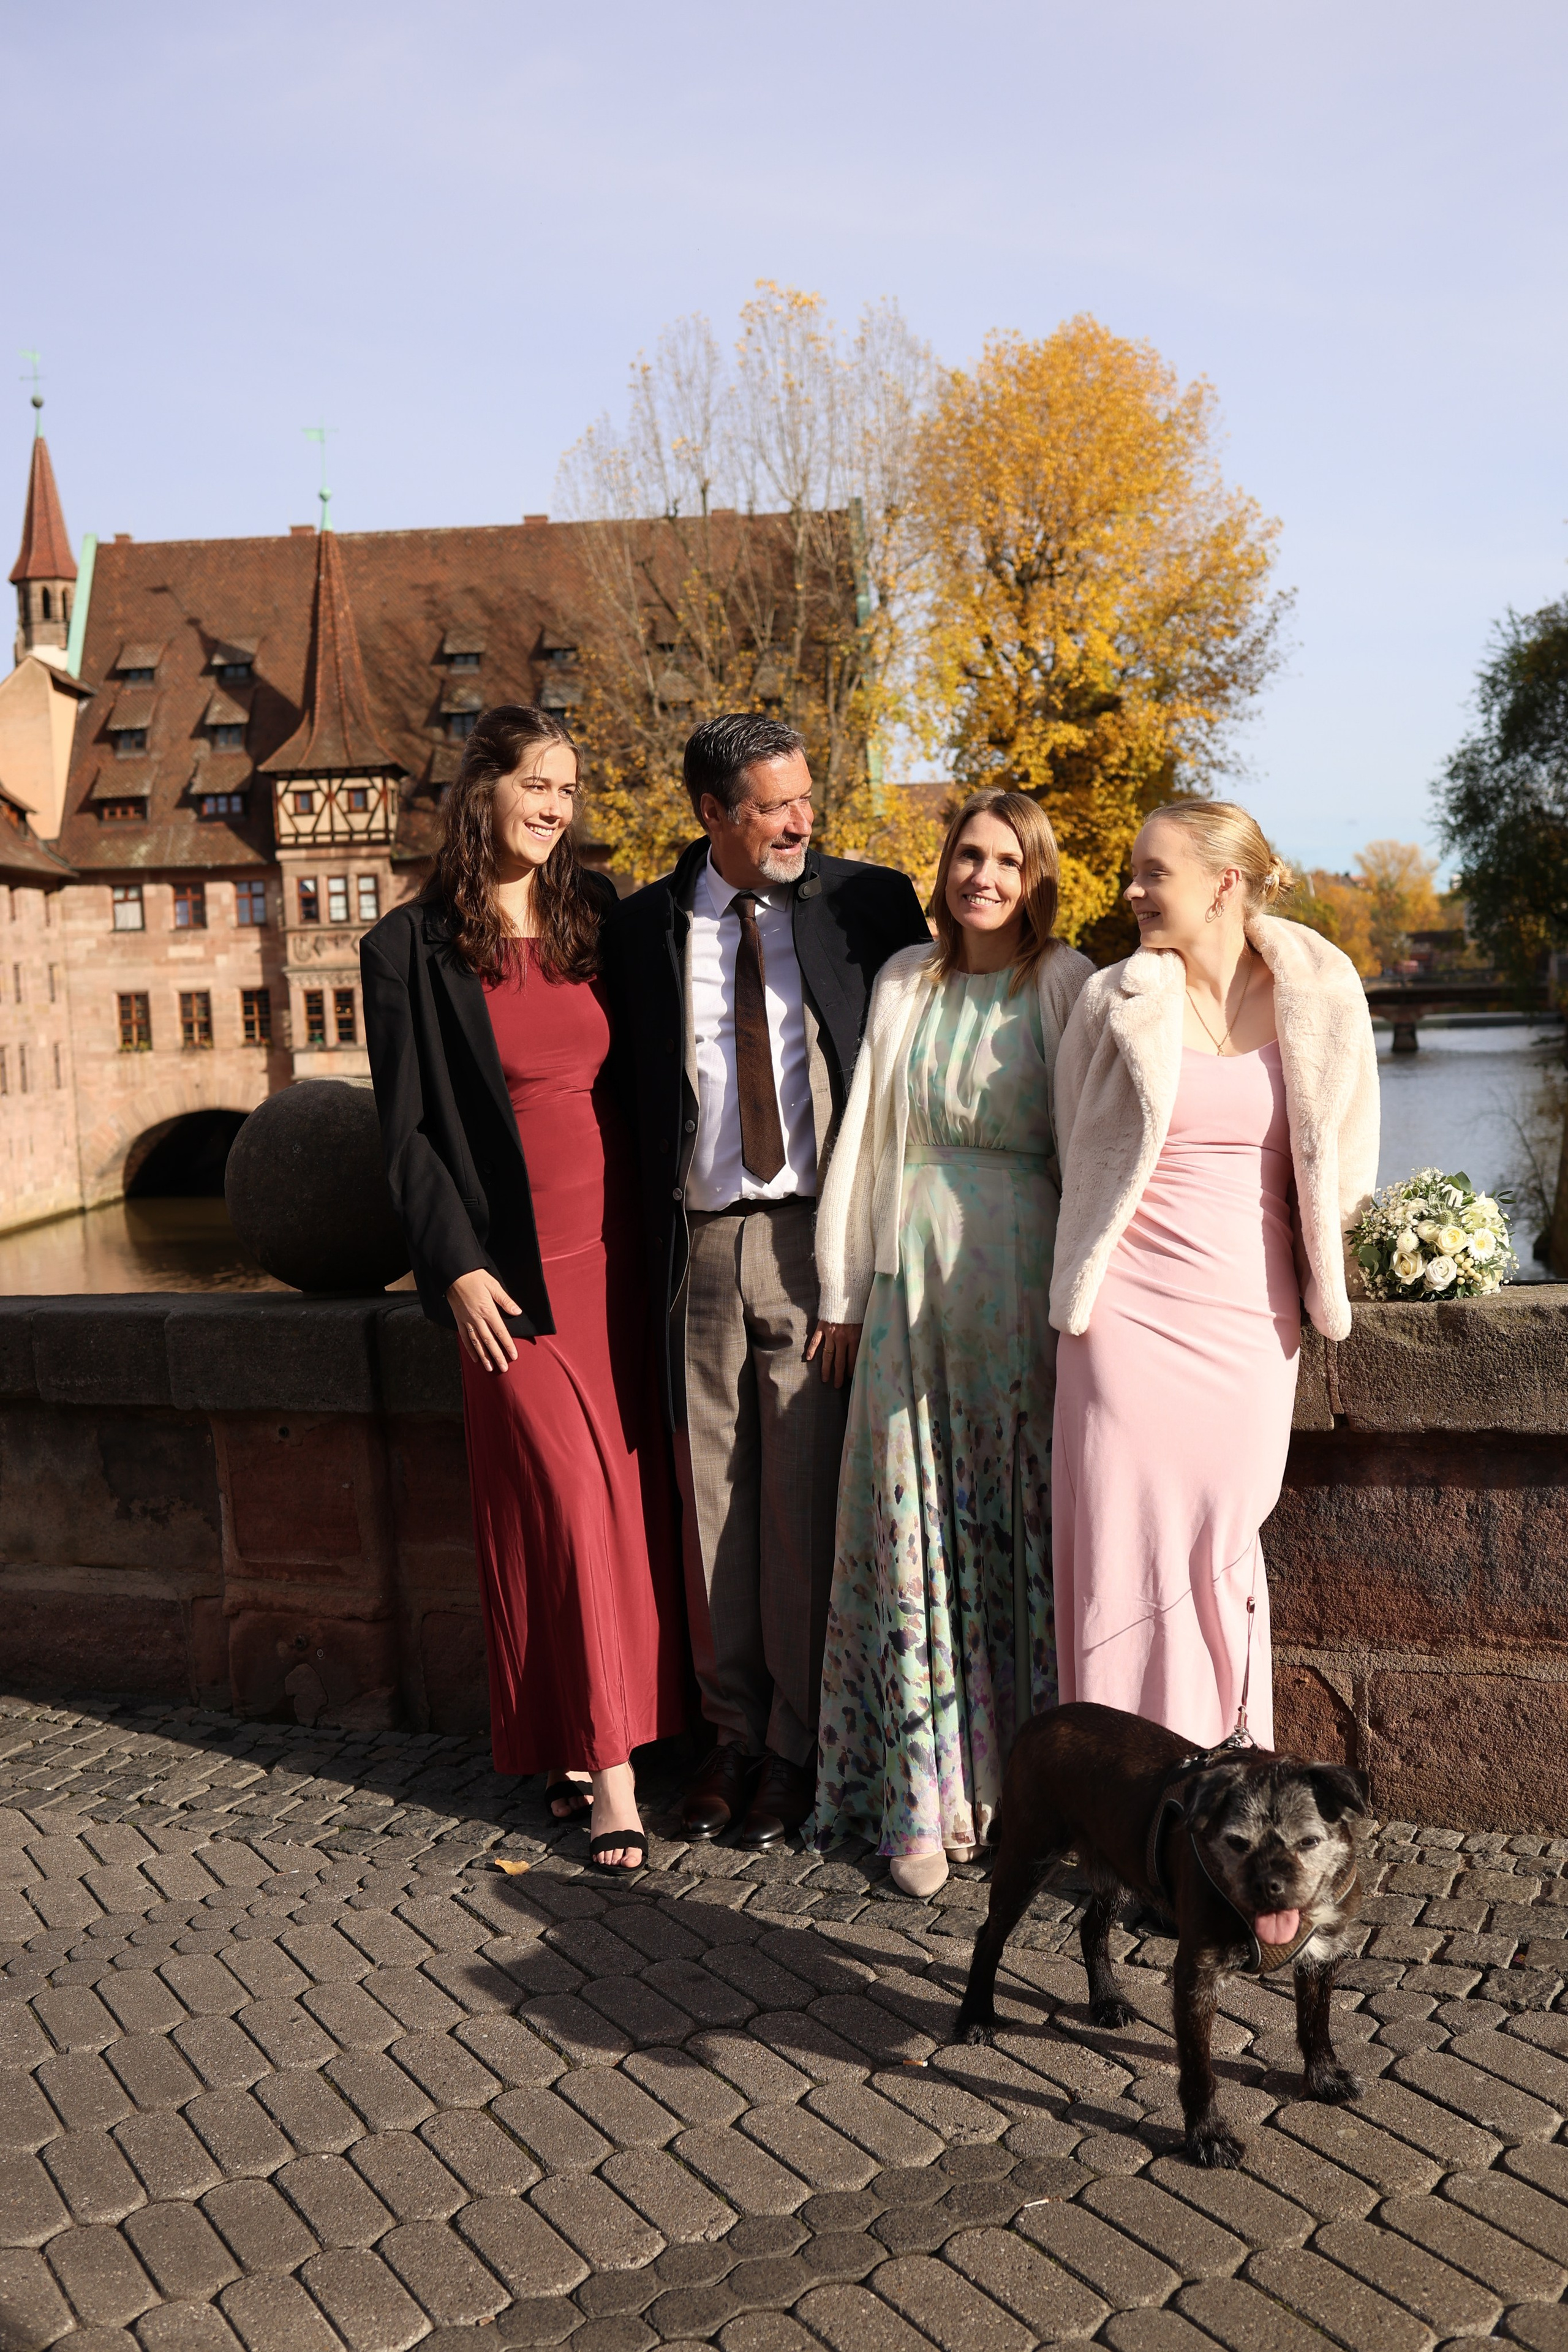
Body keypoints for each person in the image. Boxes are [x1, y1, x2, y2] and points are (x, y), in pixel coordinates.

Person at [360, 705, 684, 1876]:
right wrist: (451, 1266)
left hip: (616, 1262)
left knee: (623, 1508)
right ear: (482, 791)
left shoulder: (596, 918)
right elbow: (407, 1139)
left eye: (568, 788)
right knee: (568, 1500)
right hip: (508, 1278)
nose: (554, 805)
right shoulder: (407, 948)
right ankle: (614, 1774)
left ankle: (575, 1737)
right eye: (535, 783)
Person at [606, 715, 930, 1847]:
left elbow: (906, 1088)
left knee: (803, 1504)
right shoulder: (639, 925)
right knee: (710, 1504)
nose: (803, 822)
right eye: (774, 807)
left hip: (812, 1246)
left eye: (807, 798)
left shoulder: (867, 905)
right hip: (693, 1249)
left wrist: (863, 1274)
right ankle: (728, 1733)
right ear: (711, 814)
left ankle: (800, 1742)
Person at [1050, 801, 1379, 1750]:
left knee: (1221, 1549)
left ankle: (1224, 1772)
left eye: (1154, 873)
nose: (1132, 891)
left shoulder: (1321, 988)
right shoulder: (1113, 997)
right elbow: (1079, 1148)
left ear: (1223, 883)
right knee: (1121, 1552)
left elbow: (1345, 1154)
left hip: (1251, 1318)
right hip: (1121, 1321)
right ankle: (1121, 1800)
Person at [810, 791, 1092, 1896]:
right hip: (908, 1284)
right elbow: (868, 1136)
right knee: (910, 1526)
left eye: (1008, 862)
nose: (984, 875)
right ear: (945, 867)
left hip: (1019, 1290)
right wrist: (840, 1289)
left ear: (1036, 879)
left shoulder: (1064, 984)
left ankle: (1027, 1796)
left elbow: (1092, 1152)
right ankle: (918, 1799)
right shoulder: (903, 980)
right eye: (969, 854)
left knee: (1016, 1529)